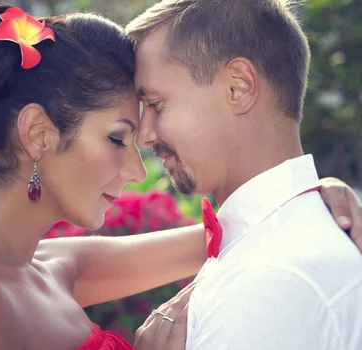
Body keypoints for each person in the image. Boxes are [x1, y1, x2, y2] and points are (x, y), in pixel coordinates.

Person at [0, 1, 362, 349]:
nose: (136, 168)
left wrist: (314, 193)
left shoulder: (52, 269)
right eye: (116, 138)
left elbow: (232, 232)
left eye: (155, 110)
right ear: (38, 133)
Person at [125, 0, 362, 349]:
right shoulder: (272, 245)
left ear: (239, 87)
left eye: (156, 104)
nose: (144, 134)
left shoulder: (270, 279)